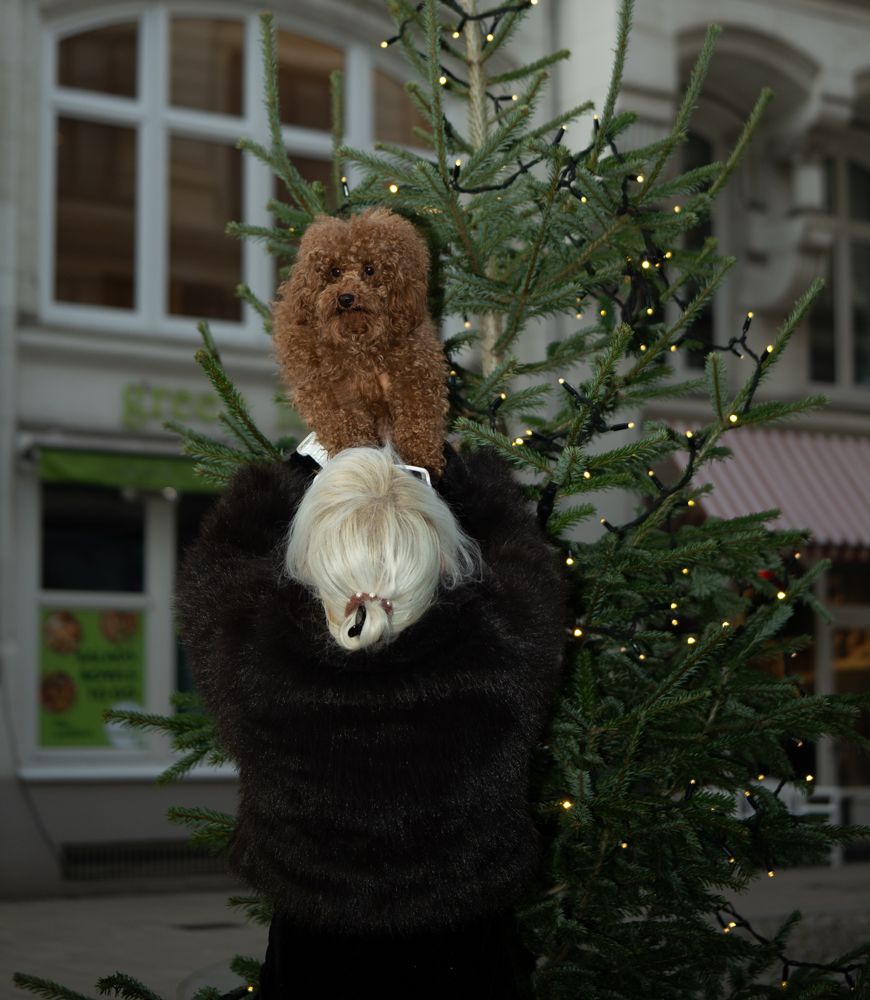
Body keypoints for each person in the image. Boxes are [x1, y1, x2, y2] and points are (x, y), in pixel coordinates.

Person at [176, 442, 567, 999]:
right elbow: (527, 560)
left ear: (304, 564)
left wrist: (293, 470)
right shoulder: (504, 651)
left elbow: (213, 567)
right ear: (444, 562)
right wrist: (459, 471)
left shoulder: (252, 658)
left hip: (313, 951)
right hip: (465, 952)